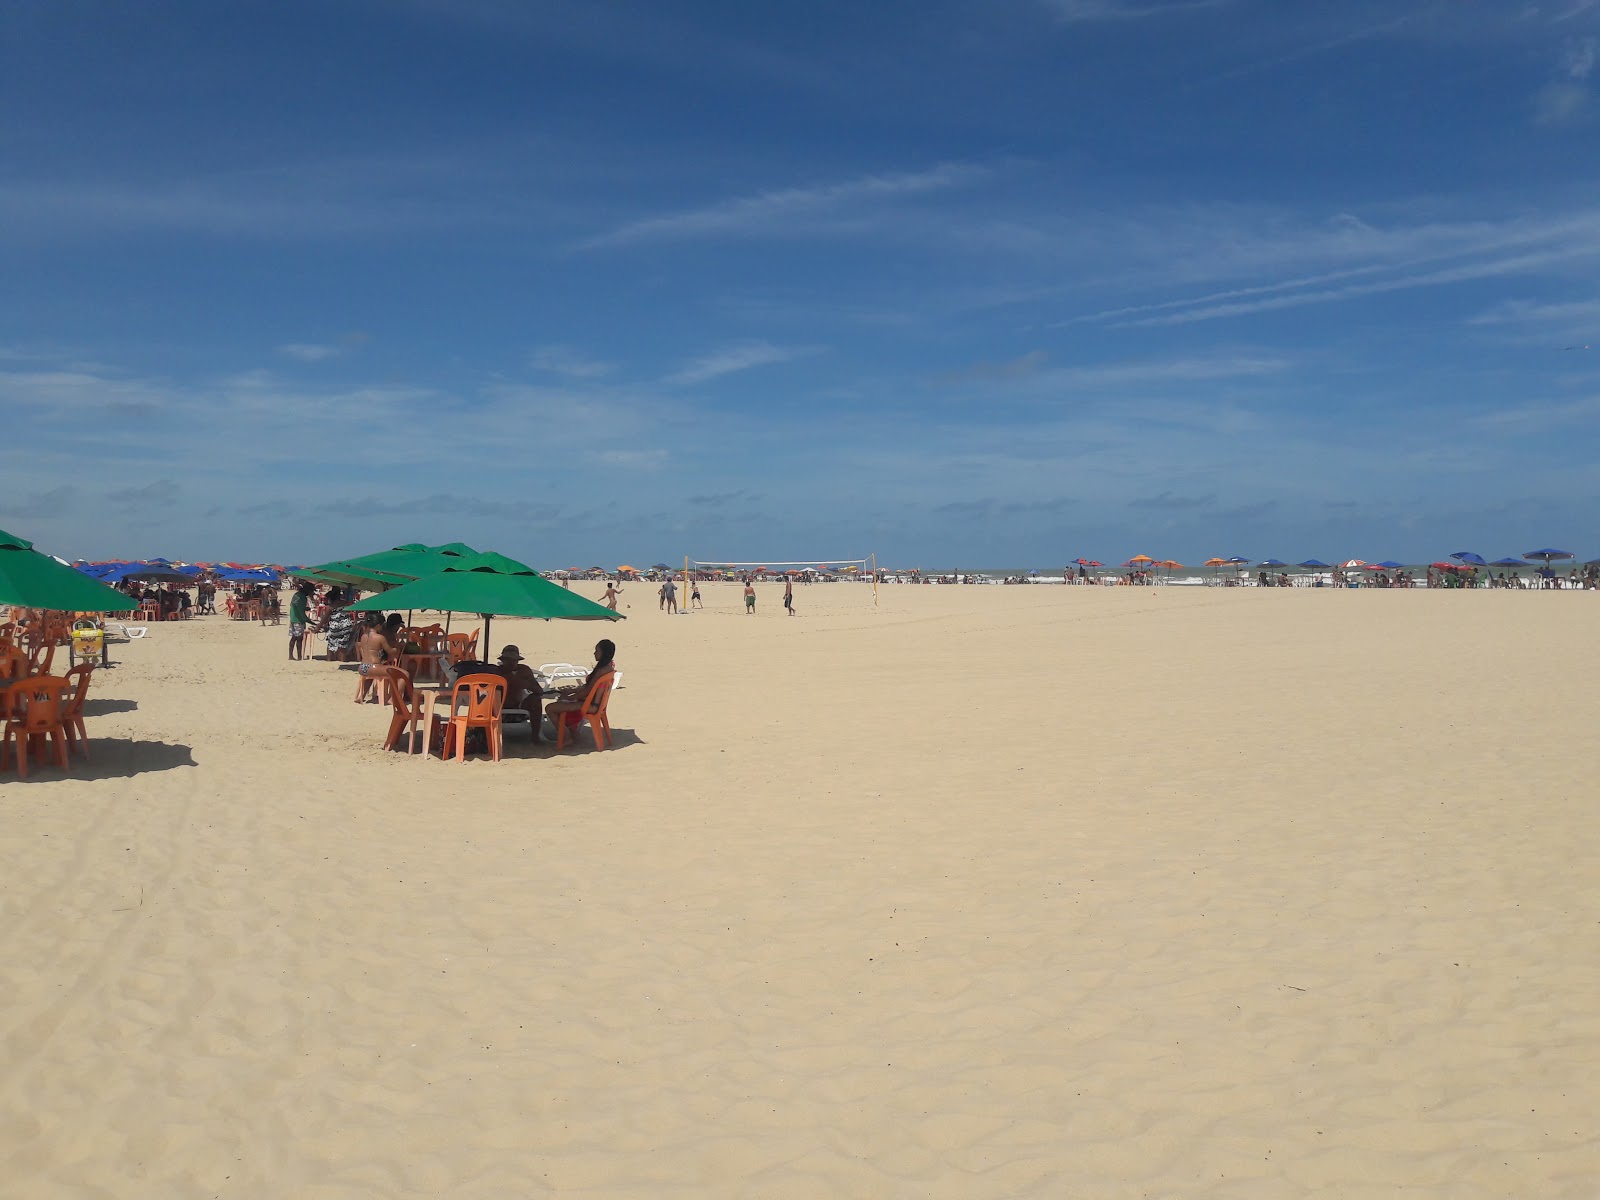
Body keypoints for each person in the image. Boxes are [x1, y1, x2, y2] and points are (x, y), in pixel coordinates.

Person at [542, 639, 616, 738]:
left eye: (597, 651)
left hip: (589, 705)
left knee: (550, 708)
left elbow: (587, 691)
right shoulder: (609, 667)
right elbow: (589, 688)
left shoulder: (601, 671)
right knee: (561, 700)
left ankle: (566, 737)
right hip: (594, 703)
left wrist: (570, 698)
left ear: (603, 653)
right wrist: (572, 690)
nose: (594, 653)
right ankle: (573, 733)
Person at [495, 645, 546, 735]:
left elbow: (539, 691)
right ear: (502, 660)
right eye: (508, 660)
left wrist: (528, 684)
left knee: (535, 700)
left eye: (513, 660)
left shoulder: (524, 670)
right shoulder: (497, 672)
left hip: (519, 708)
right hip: (497, 711)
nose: (511, 663)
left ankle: (535, 736)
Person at [354, 614, 395, 703]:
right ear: (378, 625)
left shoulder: (363, 636)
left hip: (362, 667)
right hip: (373, 667)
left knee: (370, 676)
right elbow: (390, 651)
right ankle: (392, 699)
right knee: (402, 674)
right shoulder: (380, 637)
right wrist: (397, 647)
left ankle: (362, 695)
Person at [288, 582, 314, 659]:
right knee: (299, 638)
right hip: (299, 620)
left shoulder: (296, 595)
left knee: (293, 637)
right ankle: (299, 656)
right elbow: (301, 613)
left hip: (293, 618)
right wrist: (310, 621)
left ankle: (290, 655)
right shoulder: (303, 598)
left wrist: (305, 608)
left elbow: (295, 606)